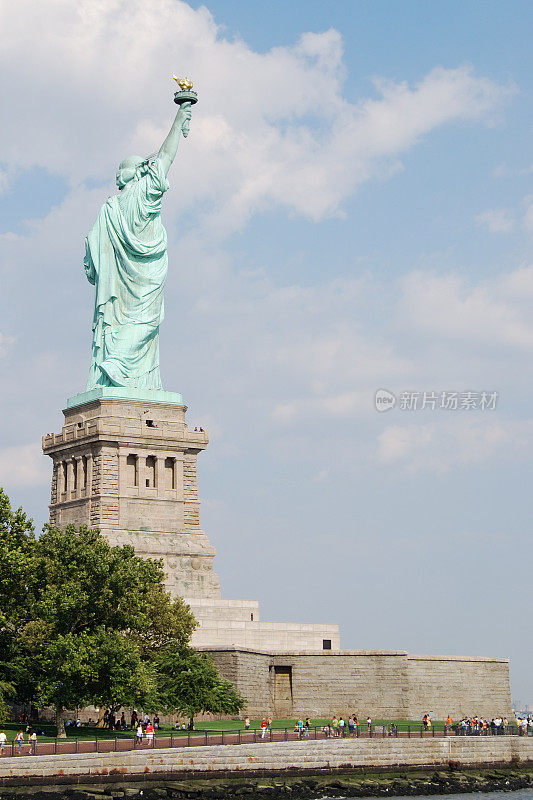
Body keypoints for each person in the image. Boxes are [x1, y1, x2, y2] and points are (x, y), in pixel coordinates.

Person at [83, 100, 192, 391]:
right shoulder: (146, 191)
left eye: (121, 168)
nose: (118, 172)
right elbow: (167, 155)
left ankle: (115, 368)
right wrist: (178, 121)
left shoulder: (110, 207)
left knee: (122, 324)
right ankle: (119, 368)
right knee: (145, 323)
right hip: (146, 277)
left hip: (117, 284)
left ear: (126, 174)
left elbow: (91, 257)